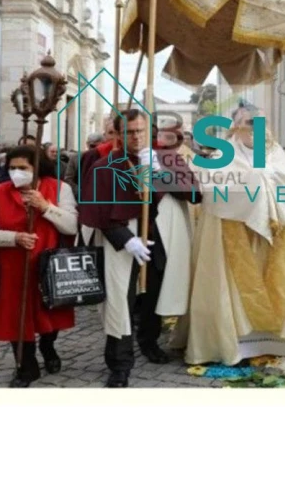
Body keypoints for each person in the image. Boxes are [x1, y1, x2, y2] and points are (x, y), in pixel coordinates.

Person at [171, 105, 285, 365]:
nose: (255, 128)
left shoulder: (277, 154)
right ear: (235, 127)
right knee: (234, 289)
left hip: (278, 234)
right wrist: (252, 181)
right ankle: (231, 341)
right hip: (233, 234)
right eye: (249, 122)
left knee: (284, 282)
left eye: (260, 122)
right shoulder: (221, 154)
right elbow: (213, 188)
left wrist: (266, 180)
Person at [78, 109, 200, 388]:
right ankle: (119, 363)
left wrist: (159, 173)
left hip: (161, 237)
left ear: (151, 133)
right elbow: (97, 209)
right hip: (123, 241)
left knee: (155, 293)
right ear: (120, 134)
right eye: (130, 131)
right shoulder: (105, 164)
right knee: (120, 300)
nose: (136, 136)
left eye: (141, 131)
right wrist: (125, 239)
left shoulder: (169, 158)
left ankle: (149, 340)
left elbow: (194, 194)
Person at [0, 146, 78, 387]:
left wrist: (46, 207)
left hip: (49, 265)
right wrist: (13, 238)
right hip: (13, 268)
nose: (16, 173)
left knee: (50, 315)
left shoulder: (59, 188)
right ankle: (26, 365)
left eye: (23, 168)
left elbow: (72, 226)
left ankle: (48, 346)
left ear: (37, 168)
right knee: (16, 319)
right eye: (12, 168)